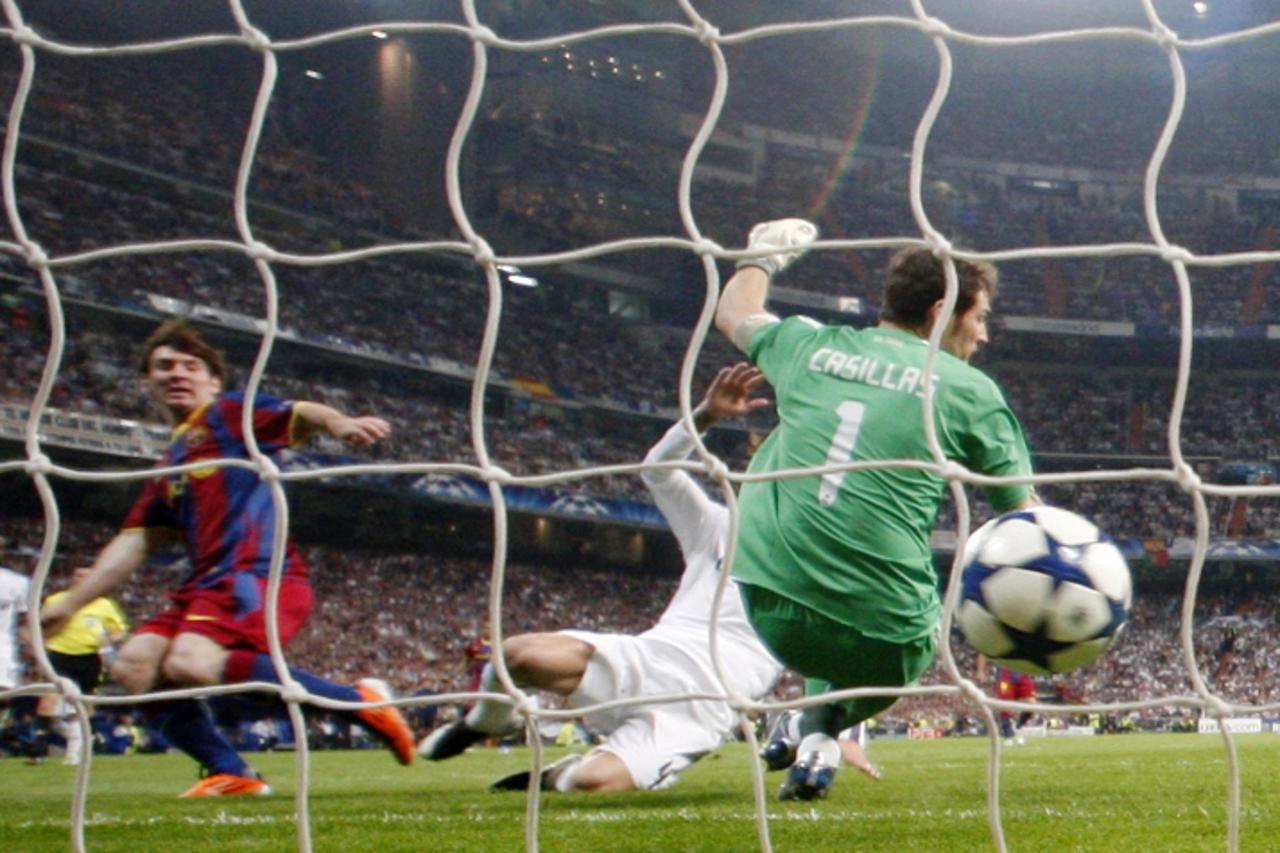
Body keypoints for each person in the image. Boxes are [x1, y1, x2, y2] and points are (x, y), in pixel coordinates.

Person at [715, 219, 1038, 800]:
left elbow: (733, 311)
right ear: (943, 312)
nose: (984, 336)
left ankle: (812, 724)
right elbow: (1026, 518)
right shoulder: (969, 390)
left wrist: (761, 257)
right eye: (980, 318)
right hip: (885, 638)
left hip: (766, 600)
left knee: (788, 480)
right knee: (917, 646)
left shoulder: (810, 344)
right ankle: (813, 723)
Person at [41, 320, 416, 797]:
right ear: (147, 381)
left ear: (213, 380)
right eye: (164, 366)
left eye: (190, 366)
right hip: (203, 584)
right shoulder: (170, 464)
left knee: (191, 663)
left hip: (258, 575)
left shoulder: (229, 411)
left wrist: (338, 423)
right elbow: (134, 543)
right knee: (133, 665)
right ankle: (233, 771)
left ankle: (357, 702)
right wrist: (71, 602)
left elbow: (299, 412)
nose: (177, 373)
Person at [421, 364, 789, 793]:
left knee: (591, 784)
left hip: (707, 704)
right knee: (516, 655)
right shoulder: (721, 528)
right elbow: (658, 471)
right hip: (649, 657)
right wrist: (705, 416)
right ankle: (487, 721)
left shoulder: (827, 566)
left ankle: (565, 771)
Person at [31, 566, 129, 765]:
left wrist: (108, 640)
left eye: (85, 577)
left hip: (88, 656)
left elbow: (119, 630)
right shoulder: (56, 600)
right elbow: (42, 625)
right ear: (71, 579)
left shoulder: (103, 604)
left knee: (84, 704)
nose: (80, 580)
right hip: (58, 654)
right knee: (48, 703)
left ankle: (82, 746)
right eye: (77, 576)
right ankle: (41, 748)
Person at [0, 541, 31, 713]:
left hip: (2, 648)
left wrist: (32, 649)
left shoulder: (18, 582)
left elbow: (26, 620)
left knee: (5, 697)